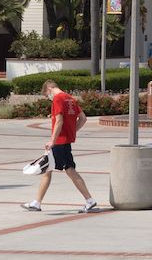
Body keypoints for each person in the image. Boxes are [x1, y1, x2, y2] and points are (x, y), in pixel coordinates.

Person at [22, 80, 99, 213]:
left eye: (47, 95)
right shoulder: (70, 98)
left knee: (64, 169)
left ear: (49, 88)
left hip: (59, 142)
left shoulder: (57, 98)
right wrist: (72, 131)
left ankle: (89, 200)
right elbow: (83, 118)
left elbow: (59, 121)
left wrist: (52, 140)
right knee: (51, 169)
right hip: (65, 141)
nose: (48, 97)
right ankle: (37, 202)